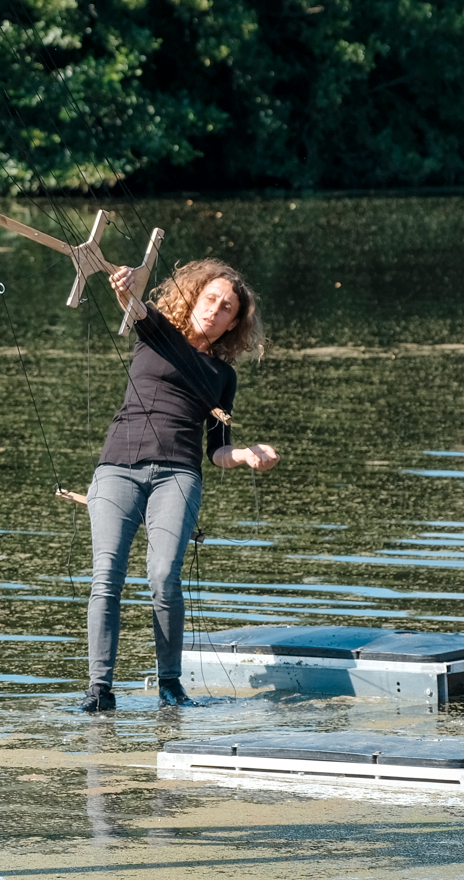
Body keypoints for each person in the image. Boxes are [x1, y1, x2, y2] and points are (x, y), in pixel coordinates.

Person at [84, 258, 279, 713]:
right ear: (193, 298)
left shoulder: (223, 377)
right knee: (106, 576)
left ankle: (170, 685)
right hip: (117, 468)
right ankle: (99, 689)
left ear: (234, 323)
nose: (215, 310)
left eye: (227, 308)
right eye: (210, 299)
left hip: (178, 476)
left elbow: (218, 450)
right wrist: (125, 284)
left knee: (164, 575)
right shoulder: (157, 332)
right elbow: (132, 303)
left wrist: (247, 454)